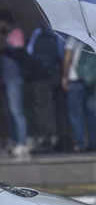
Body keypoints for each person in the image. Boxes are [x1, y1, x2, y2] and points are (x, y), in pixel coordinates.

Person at [26, 25, 65, 153]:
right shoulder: (57, 33)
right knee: (57, 107)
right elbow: (61, 53)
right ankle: (58, 137)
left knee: (43, 108)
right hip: (54, 76)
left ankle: (46, 138)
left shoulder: (37, 32)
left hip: (39, 77)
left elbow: (29, 50)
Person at [62, 36, 96, 152]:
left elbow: (68, 58)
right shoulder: (91, 38)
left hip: (75, 80)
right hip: (90, 81)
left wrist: (64, 77)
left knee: (76, 114)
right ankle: (94, 143)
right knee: (91, 113)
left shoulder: (72, 39)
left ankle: (80, 143)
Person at [0, 9, 29, 159]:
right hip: (4, 79)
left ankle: (23, 143)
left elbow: (17, 51)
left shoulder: (16, 33)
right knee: (8, 113)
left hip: (14, 79)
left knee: (16, 111)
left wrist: (4, 40)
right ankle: (13, 140)